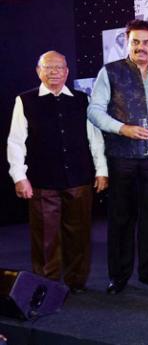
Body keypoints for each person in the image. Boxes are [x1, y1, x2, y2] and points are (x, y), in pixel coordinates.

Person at [7, 51, 108, 294]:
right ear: (38, 71)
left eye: (59, 67)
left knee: (79, 236)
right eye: (48, 67)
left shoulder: (82, 100)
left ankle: (76, 283)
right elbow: (16, 142)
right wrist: (19, 177)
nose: (54, 72)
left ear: (67, 71)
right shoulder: (25, 100)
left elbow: (95, 139)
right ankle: (46, 287)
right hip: (42, 182)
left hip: (79, 179)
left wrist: (101, 170)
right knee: (45, 240)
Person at [88, 19, 148, 295]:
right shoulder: (110, 72)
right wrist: (122, 129)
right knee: (121, 219)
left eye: (146, 42)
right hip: (121, 157)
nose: (141, 47)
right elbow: (94, 111)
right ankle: (119, 277)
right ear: (127, 42)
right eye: (135, 41)